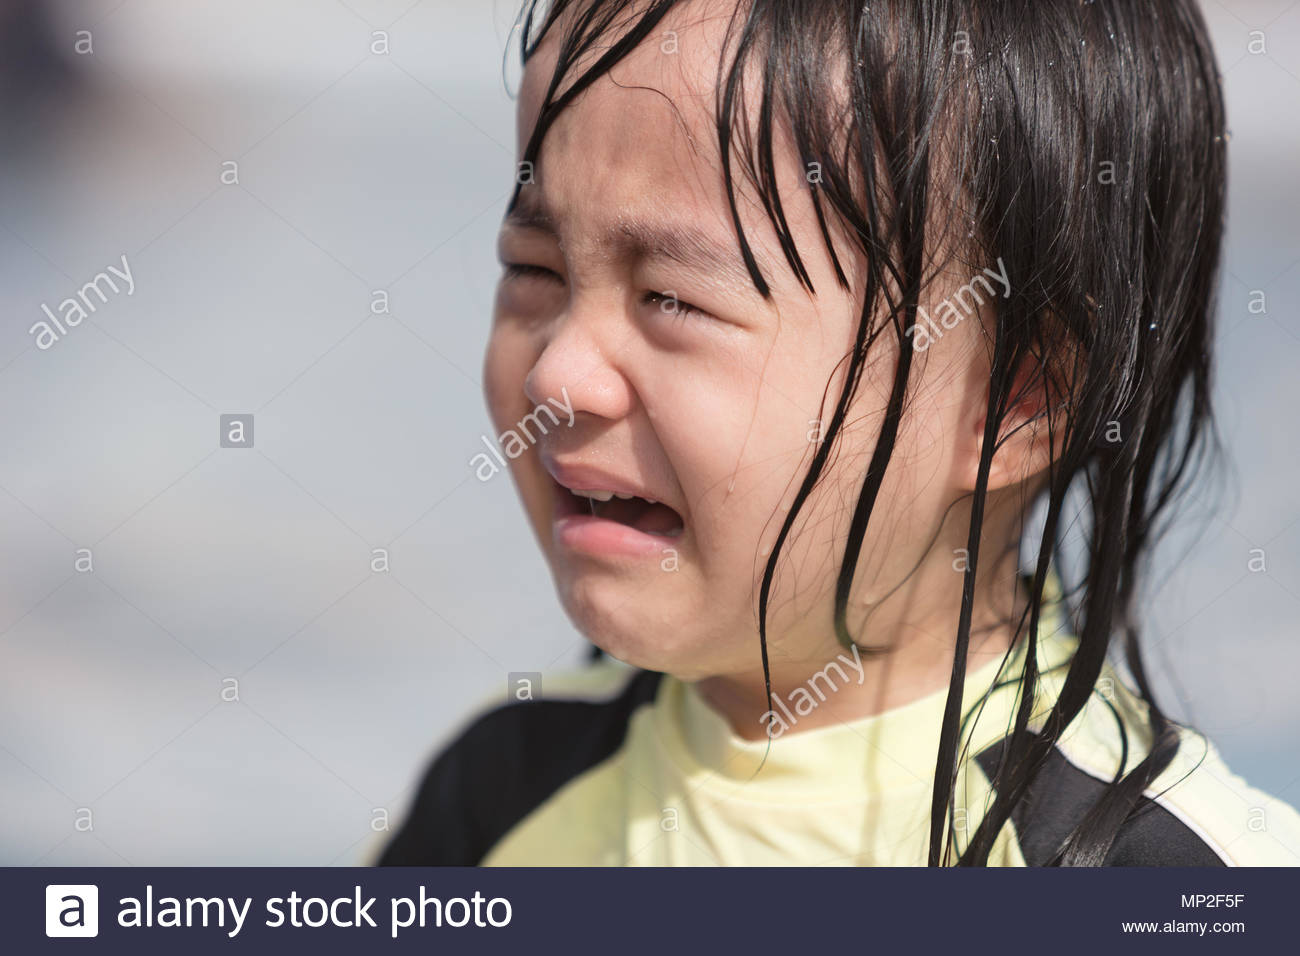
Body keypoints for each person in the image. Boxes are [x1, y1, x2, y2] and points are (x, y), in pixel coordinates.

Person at [379, 0, 1300, 866]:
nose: (557, 375)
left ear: (1020, 400)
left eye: (671, 298)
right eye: (535, 269)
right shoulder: (498, 797)